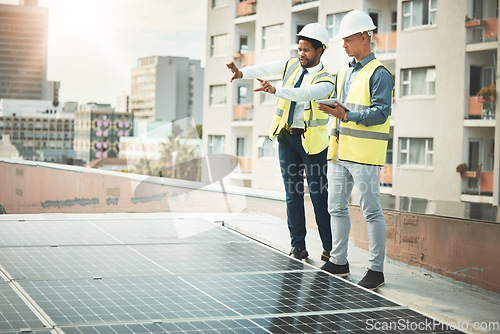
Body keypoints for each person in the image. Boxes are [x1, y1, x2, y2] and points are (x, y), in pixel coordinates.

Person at [226, 23, 334, 261]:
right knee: (292, 194)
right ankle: (298, 246)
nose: (301, 54)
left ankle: (330, 249)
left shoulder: (326, 80)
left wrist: (275, 90)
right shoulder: (291, 65)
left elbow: (303, 95)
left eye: (306, 50)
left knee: (318, 195)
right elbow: (266, 67)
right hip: (287, 139)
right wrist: (242, 73)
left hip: (312, 145)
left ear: (320, 51)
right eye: (299, 49)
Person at [317, 10, 393, 291]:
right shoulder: (344, 72)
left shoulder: (379, 73)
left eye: (348, 39)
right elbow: (346, 105)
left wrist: (346, 115)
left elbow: (381, 113)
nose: (344, 44)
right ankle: (339, 262)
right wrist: (332, 106)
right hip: (339, 152)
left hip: (364, 154)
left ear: (365, 37)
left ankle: (376, 270)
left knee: (371, 211)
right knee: (335, 207)